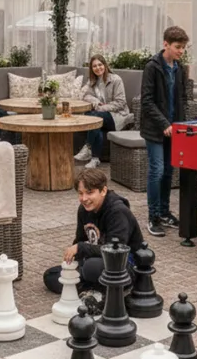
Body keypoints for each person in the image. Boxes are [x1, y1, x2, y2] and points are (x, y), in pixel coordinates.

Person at [43, 167, 143, 302]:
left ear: (103, 191)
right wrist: (73, 259)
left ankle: (97, 288)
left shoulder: (118, 211)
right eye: (80, 193)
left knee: (92, 267)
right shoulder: (83, 210)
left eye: (89, 193)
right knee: (51, 276)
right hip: (96, 260)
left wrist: (81, 248)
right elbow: (80, 240)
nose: (84, 198)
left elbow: (116, 251)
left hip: (124, 265)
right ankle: (93, 290)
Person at [141, 25, 189, 237]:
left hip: (174, 129)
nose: (181, 51)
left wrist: (180, 125)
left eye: (183, 48)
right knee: (157, 171)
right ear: (166, 44)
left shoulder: (180, 68)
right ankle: (153, 217)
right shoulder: (152, 67)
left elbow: (182, 99)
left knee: (169, 172)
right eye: (178, 47)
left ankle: (164, 212)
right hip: (155, 130)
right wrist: (164, 124)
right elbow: (147, 102)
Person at [74, 54, 131, 169]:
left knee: (93, 116)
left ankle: (88, 147)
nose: (98, 68)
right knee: (96, 123)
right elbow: (86, 95)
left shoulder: (115, 79)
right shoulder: (92, 81)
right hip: (101, 116)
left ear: (105, 65)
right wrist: (97, 102)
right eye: (94, 66)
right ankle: (95, 159)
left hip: (117, 117)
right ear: (92, 69)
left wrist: (101, 108)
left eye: (100, 64)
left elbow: (121, 103)